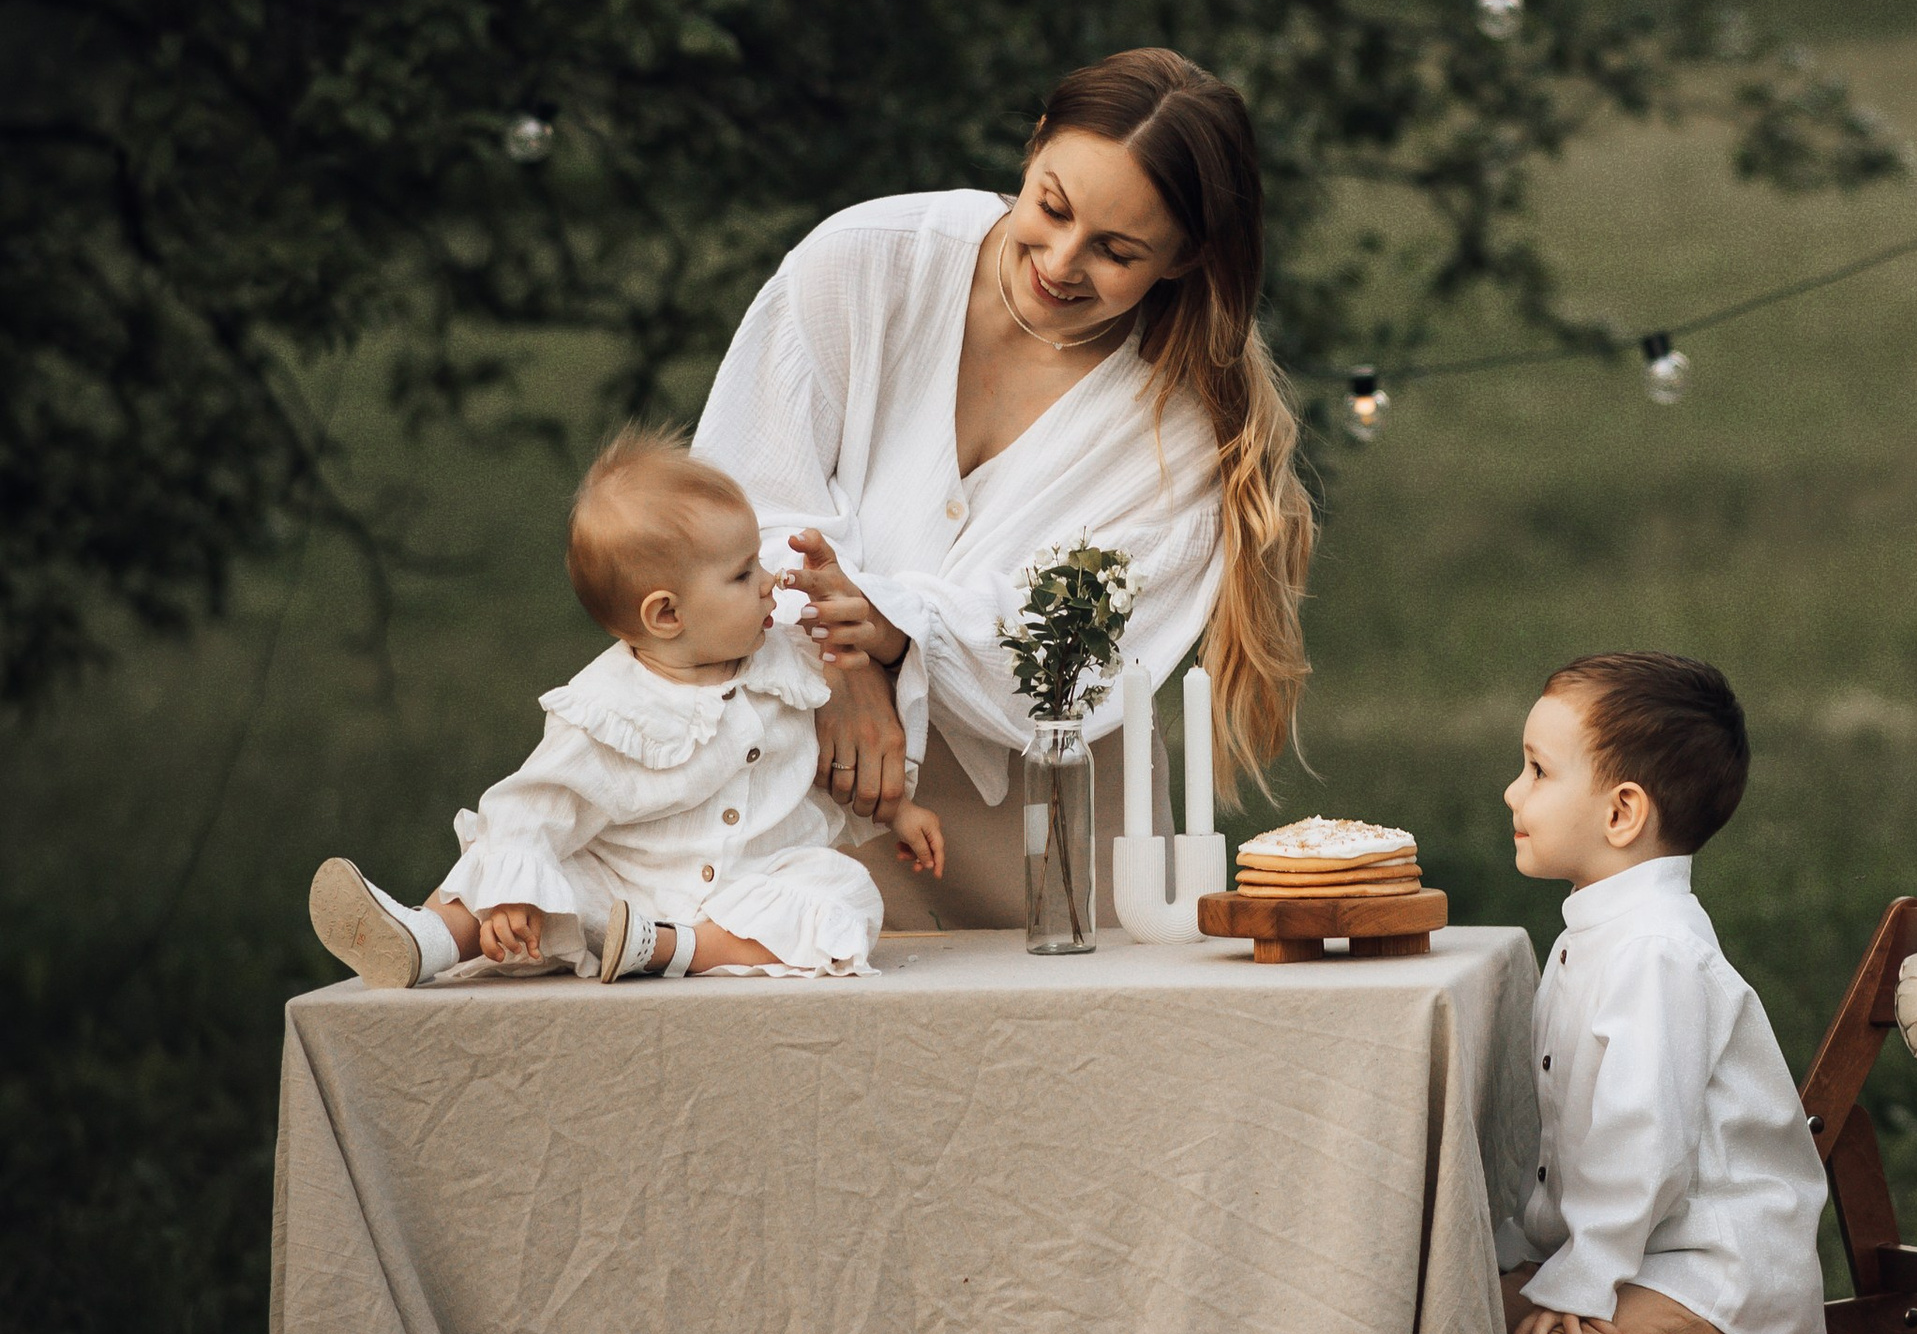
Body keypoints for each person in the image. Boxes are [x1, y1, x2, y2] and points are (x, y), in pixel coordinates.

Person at [692, 49, 1314, 929]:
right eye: (1052, 207)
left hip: (1045, 842)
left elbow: (1076, 647)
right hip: (802, 784)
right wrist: (841, 665)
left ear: (1182, 260)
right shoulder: (863, 262)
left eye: (1117, 251)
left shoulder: (1189, 431)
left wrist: (899, 630)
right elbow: (737, 503)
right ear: (1033, 146)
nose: (1061, 261)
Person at [307, 429, 939, 988]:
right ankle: (425, 939)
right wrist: (510, 894)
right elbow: (536, 805)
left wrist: (897, 811)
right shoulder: (605, 708)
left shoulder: (789, 664)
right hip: (618, 888)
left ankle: (675, 949)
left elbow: (826, 764)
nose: (770, 581)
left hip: (751, 889)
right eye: (745, 573)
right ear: (666, 614)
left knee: (842, 893)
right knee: (507, 863)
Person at [1498, 650, 1828, 1334]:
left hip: (1720, 1272)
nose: (1510, 792)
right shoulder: (1599, 937)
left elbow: (1644, 1148)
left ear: (1623, 811)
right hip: (1650, 1254)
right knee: (1473, 1325)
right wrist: (1541, 1261)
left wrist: (1580, 1277)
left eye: (1536, 770)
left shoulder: (1654, 954)